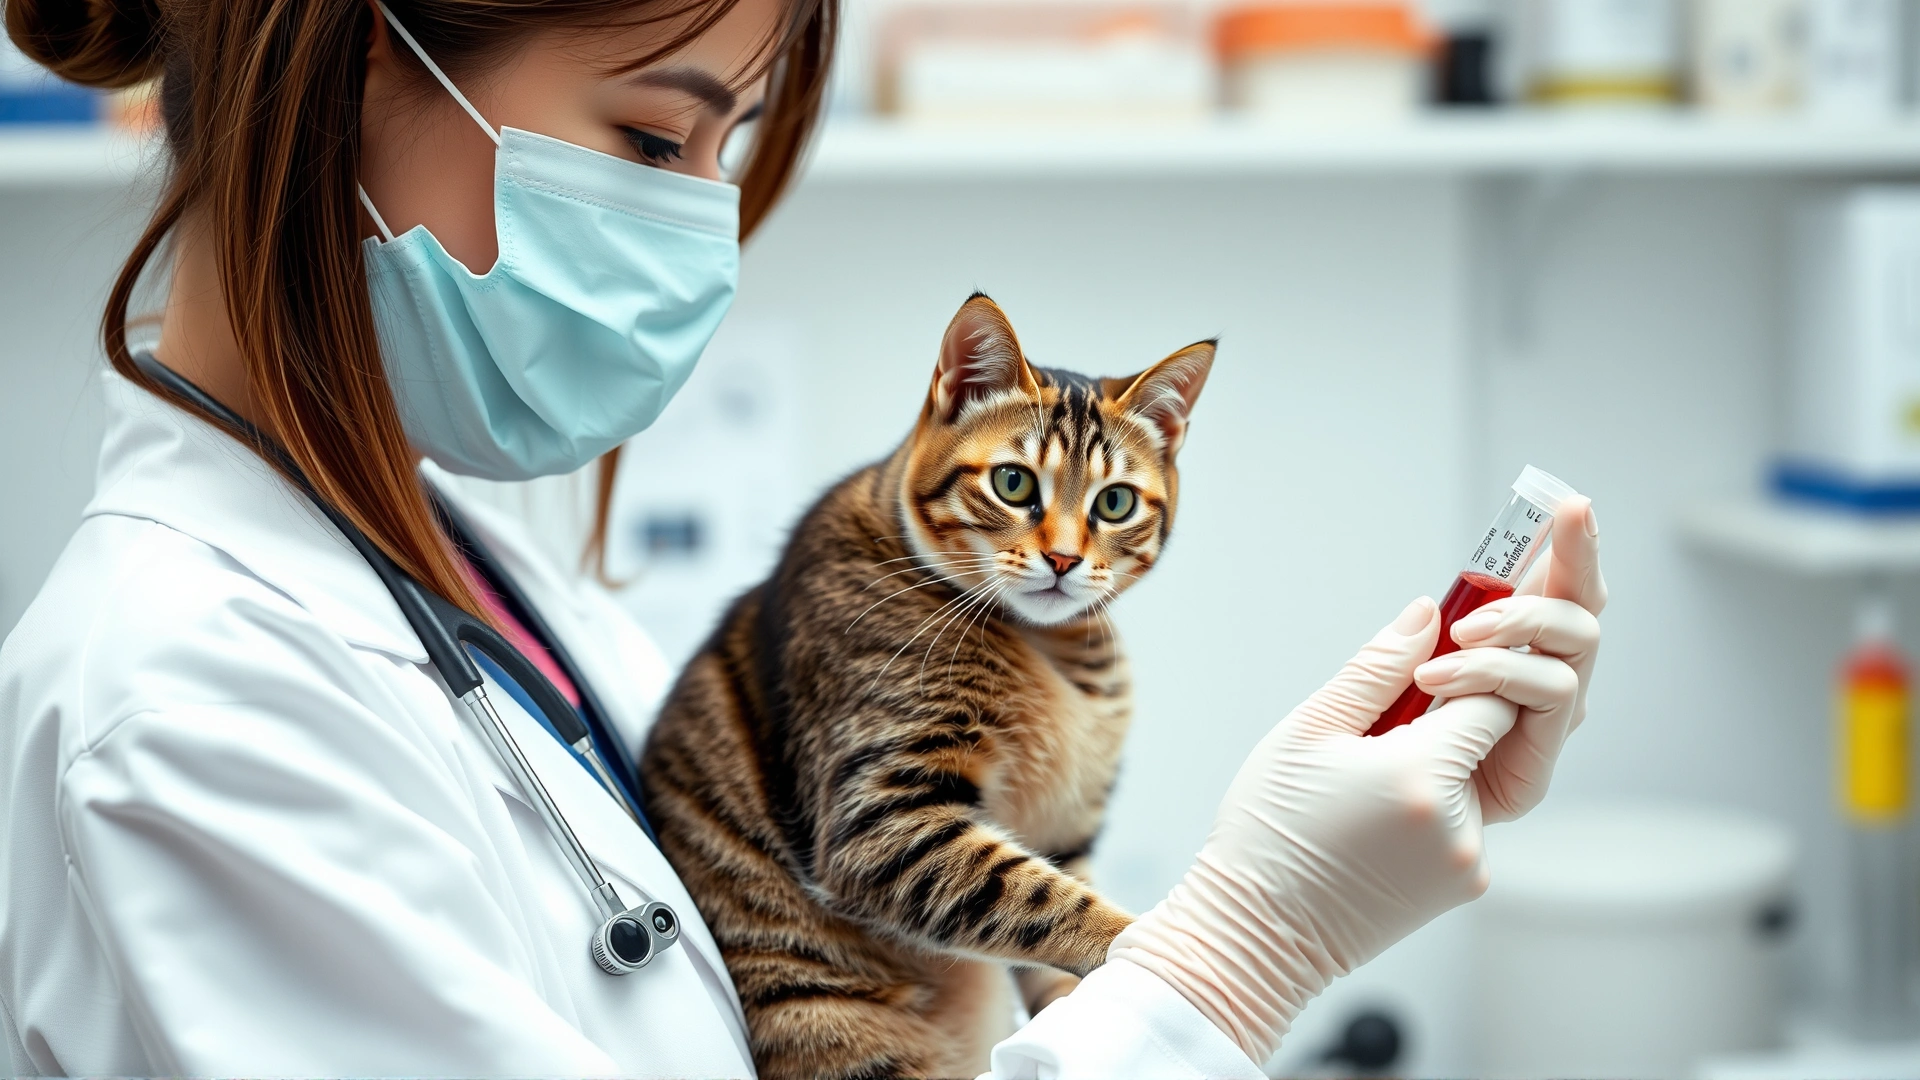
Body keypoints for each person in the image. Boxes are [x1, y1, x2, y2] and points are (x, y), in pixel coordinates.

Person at [0, 0, 1607, 1072]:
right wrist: (1251, 942)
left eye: (729, 148)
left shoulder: (463, 564)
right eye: (650, 140)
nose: (700, 228)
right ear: (348, 54)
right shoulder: (192, 707)